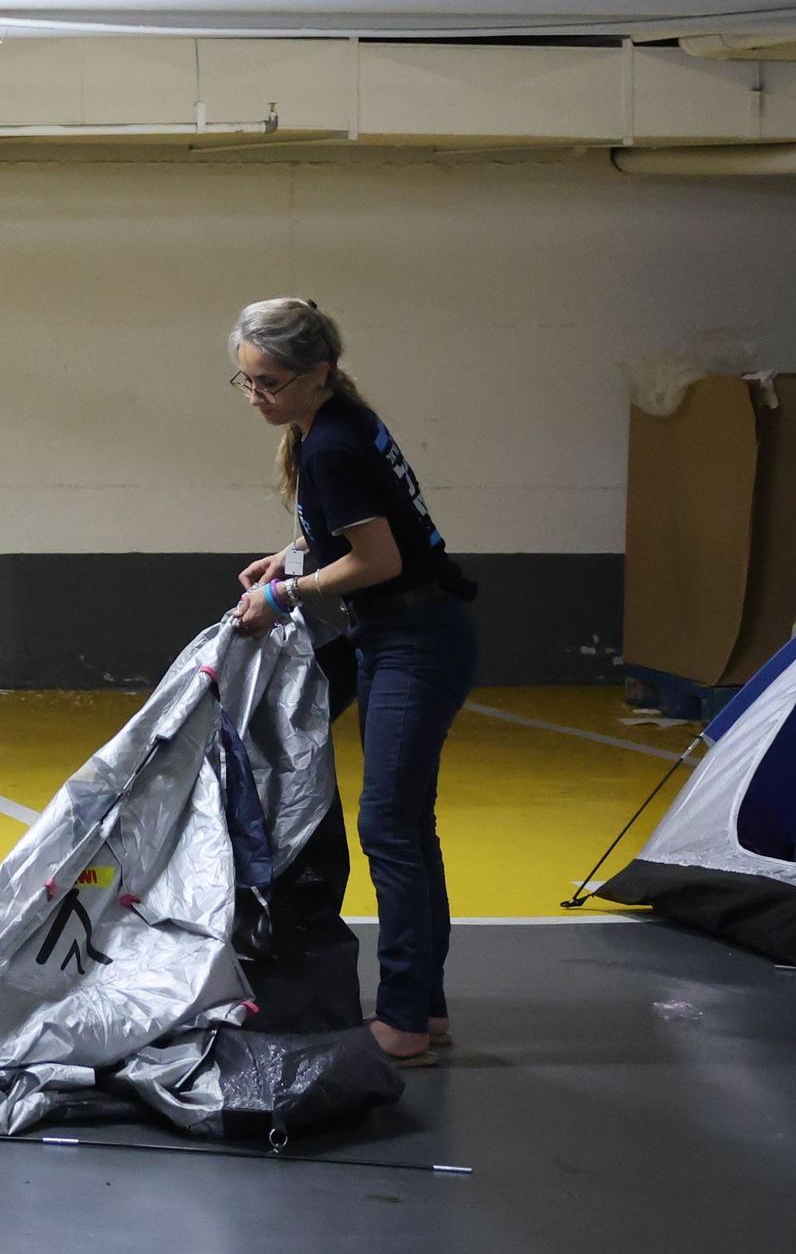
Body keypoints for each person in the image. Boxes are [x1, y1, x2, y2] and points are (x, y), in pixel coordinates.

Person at [225, 297, 478, 1066]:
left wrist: (284, 595)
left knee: (390, 828)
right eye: (245, 381)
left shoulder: (332, 443)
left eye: (270, 382)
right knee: (408, 826)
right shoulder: (332, 425)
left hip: (416, 638)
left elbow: (381, 560)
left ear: (318, 374)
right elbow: (359, 528)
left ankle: (403, 1020)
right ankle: (423, 1007)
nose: (256, 397)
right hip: (396, 631)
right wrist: (294, 554)